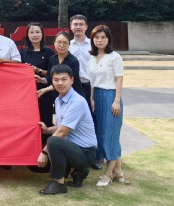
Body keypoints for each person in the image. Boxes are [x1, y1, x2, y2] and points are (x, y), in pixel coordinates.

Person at [37, 64, 97, 195]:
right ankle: (78, 172)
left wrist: (44, 152)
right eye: (56, 79)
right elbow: (63, 125)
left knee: (53, 141)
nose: (60, 83)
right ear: (52, 81)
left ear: (72, 80)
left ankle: (59, 184)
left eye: (64, 79)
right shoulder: (58, 100)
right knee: (37, 167)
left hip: (86, 152)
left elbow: (62, 132)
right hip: (73, 148)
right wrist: (48, 130)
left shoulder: (77, 102)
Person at [87, 25, 126, 187]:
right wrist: (92, 98)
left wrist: (116, 100)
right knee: (102, 135)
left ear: (108, 39)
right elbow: (92, 81)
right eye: (96, 37)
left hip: (111, 96)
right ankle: (118, 171)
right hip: (97, 96)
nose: (99, 40)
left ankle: (108, 174)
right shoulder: (92, 57)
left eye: (103, 37)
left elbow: (119, 79)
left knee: (111, 136)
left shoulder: (115, 57)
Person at [69, 14, 102, 170]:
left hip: (90, 86)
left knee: (91, 120)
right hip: (72, 88)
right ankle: (74, 154)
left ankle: (93, 156)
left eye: (81, 24)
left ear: (86, 27)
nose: (78, 27)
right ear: (71, 27)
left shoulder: (94, 45)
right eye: (75, 24)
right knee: (73, 120)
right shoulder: (67, 45)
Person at [19, 23, 55, 145]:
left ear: (42, 34)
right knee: (29, 121)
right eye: (32, 32)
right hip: (28, 94)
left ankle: (46, 149)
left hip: (45, 92)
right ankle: (30, 146)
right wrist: (25, 70)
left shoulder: (49, 52)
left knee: (45, 119)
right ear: (27, 35)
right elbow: (17, 71)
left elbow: (52, 73)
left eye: (37, 32)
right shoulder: (23, 52)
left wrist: (38, 70)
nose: (35, 35)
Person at [37, 31, 85, 99]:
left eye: (65, 43)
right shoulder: (52, 59)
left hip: (73, 97)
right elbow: (50, 77)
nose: (62, 45)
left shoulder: (73, 61)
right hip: (57, 97)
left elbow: (66, 82)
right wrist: (41, 80)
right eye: (59, 42)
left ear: (69, 45)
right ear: (54, 43)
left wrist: (45, 90)